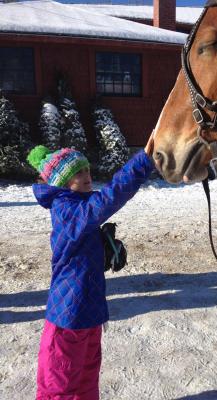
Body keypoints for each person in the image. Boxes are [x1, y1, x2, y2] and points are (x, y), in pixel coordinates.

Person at [27, 134, 155, 400]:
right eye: (77, 173)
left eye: (87, 169)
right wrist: (143, 162)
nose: (86, 175)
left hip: (89, 316)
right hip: (68, 318)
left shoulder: (78, 207)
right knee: (60, 387)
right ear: (62, 182)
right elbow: (107, 200)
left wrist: (104, 248)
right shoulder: (66, 210)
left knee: (86, 381)